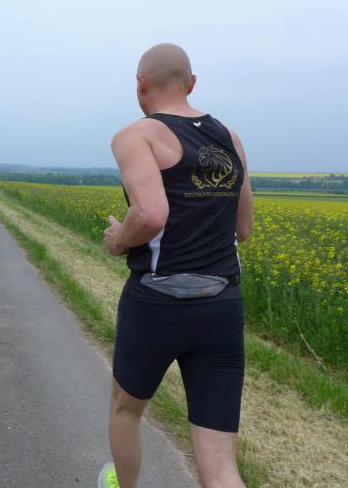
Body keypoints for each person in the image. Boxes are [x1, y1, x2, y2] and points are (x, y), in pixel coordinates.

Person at [98, 44, 253, 488]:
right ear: (191, 83)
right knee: (220, 463)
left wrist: (117, 240)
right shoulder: (229, 138)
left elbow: (150, 215)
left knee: (126, 408)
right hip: (221, 304)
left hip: (155, 304)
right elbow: (243, 229)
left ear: (140, 84)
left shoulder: (137, 135)